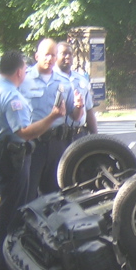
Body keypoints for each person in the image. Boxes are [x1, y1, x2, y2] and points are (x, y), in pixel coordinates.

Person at [0, 50, 66, 270]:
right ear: (20, 71)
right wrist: (52, 117)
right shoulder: (12, 96)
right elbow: (25, 132)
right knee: (14, 209)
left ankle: (5, 259)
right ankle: (8, 261)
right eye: (25, 70)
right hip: (12, 155)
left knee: (10, 204)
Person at [19, 38, 84, 202]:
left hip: (57, 144)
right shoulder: (24, 81)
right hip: (33, 145)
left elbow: (75, 116)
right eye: (46, 55)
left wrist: (79, 106)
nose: (50, 59)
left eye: (53, 55)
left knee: (56, 194)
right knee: (29, 194)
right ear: (36, 56)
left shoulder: (64, 83)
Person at [56, 41, 97, 140]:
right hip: (59, 137)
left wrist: (95, 135)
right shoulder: (51, 80)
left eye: (70, 54)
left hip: (80, 134)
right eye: (64, 53)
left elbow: (89, 109)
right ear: (55, 56)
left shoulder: (81, 80)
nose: (67, 57)